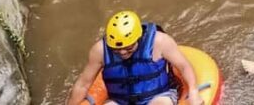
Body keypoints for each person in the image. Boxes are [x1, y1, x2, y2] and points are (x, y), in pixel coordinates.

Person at [67, 10, 203, 105]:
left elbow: (184, 67)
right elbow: (83, 84)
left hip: (158, 96)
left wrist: (193, 90)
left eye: (128, 47)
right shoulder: (100, 50)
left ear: (139, 37)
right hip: (120, 101)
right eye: (116, 48)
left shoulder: (160, 42)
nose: (122, 52)